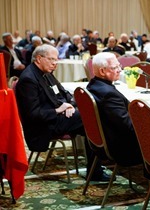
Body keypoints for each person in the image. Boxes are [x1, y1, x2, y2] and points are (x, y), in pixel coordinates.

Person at [15, 44, 106, 181]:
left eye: (56, 60)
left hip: (58, 117)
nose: (55, 63)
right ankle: (96, 170)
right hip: (43, 126)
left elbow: (64, 93)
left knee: (90, 121)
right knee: (92, 119)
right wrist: (58, 110)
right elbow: (32, 115)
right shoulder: (29, 79)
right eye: (51, 59)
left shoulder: (46, 74)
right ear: (39, 58)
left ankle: (95, 167)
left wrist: (69, 105)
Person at [86, 52, 143, 167]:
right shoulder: (109, 94)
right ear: (102, 71)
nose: (119, 70)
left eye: (119, 66)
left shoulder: (93, 85)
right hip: (121, 147)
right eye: (115, 67)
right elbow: (127, 126)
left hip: (105, 139)